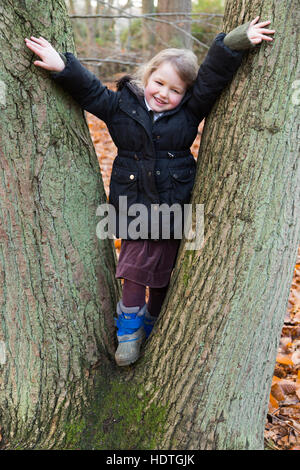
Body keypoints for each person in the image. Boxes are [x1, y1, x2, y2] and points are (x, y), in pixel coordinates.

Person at [25, 16, 275, 367]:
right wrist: (62, 66)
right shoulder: (120, 106)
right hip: (134, 205)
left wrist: (236, 41)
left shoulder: (189, 114)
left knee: (165, 272)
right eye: (159, 83)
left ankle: (155, 324)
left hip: (175, 204)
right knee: (134, 267)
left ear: (185, 95)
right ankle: (128, 332)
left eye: (175, 90)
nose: (164, 93)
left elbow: (212, 79)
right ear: (147, 77)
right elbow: (90, 91)